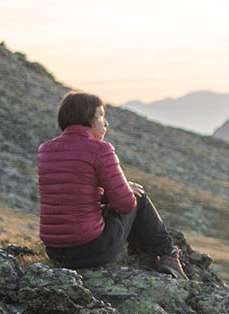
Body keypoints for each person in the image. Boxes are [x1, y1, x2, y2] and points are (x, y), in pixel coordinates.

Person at [38, 90, 185, 278]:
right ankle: (168, 255)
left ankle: (147, 258)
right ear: (86, 120)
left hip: (55, 251)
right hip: (91, 250)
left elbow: (73, 192)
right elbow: (125, 204)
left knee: (129, 193)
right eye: (100, 116)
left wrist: (113, 191)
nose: (106, 123)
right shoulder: (99, 149)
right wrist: (123, 189)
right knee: (138, 198)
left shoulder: (46, 150)